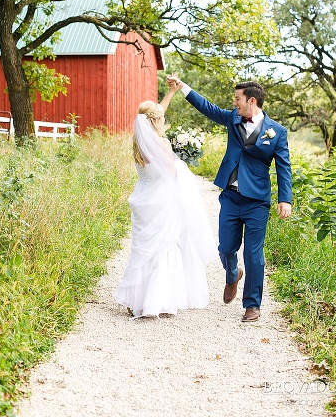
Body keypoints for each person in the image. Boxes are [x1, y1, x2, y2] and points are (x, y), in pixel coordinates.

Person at [166, 75, 292, 322]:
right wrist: (183, 87)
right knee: (225, 248)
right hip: (231, 198)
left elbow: (283, 167)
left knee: (254, 254)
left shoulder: (277, 132)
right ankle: (232, 273)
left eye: (237, 99)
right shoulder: (232, 118)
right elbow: (207, 108)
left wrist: (284, 199)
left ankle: (252, 305)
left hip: (257, 201)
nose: (234, 103)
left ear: (251, 100)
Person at [114, 95, 218, 318]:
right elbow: (171, 173)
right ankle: (160, 300)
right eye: (161, 118)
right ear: (156, 121)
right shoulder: (161, 143)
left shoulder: (138, 142)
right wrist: (181, 160)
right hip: (162, 199)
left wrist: (170, 93)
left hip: (143, 197)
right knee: (164, 247)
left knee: (143, 249)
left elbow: (152, 169)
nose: (163, 121)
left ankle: (137, 298)